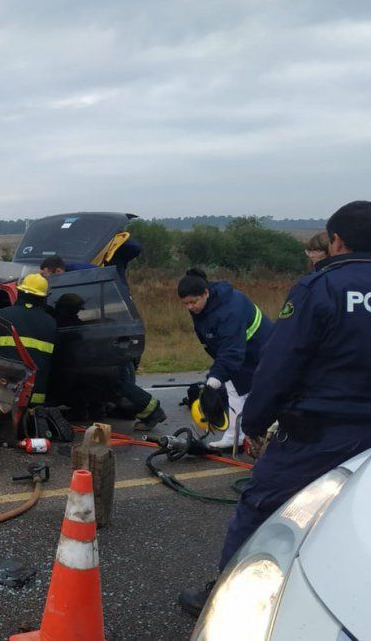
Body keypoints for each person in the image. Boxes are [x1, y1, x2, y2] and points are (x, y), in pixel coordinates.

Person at [178, 200, 371, 616]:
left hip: (318, 435)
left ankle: (229, 598)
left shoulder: (320, 288)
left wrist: (255, 421)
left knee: (261, 507)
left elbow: (280, 363)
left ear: (336, 240)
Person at [42, 254, 167, 431]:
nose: (44, 278)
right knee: (86, 380)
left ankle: (153, 411)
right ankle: (84, 410)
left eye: (45, 274)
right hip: (97, 357)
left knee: (116, 384)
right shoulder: (73, 321)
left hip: (102, 358)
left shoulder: (72, 319)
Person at [176, 268, 274, 450]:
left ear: (205, 293)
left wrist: (212, 383)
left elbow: (231, 350)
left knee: (267, 395)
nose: (190, 307)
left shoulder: (229, 310)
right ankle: (235, 437)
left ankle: (276, 439)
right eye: (186, 304)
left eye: (193, 302)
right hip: (240, 352)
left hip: (265, 351)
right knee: (234, 391)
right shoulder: (204, 304)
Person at [0, 273, 57, 407]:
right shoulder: (51, 323)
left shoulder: (1, 315)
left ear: (19, 292)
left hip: (3, 393)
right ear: (44, 298)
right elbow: (55, 360)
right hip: (35, 396)